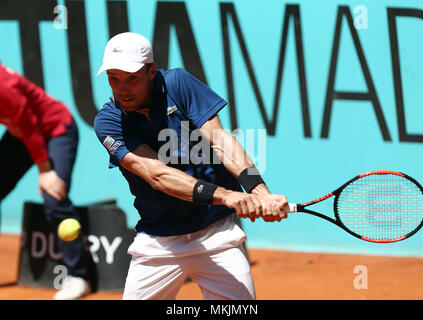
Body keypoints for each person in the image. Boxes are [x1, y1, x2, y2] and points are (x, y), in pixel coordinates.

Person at [94, 32, 289, 300]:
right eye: (113, 78)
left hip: (216, 236)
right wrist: (229, 196)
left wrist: (260, 192)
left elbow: (221, 140)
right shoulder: (108, 122)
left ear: (151, 71)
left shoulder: (178, 83)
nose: (122, 89)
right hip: (159, 242)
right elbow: (158, 175)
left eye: (131, 78)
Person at [0, 64, 91, 300]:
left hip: (56, 129)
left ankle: (79, 277)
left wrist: (45, 171)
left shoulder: (4, 87)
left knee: (54, 196)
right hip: (20, 134)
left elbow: (30, 125)